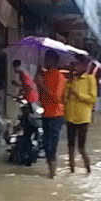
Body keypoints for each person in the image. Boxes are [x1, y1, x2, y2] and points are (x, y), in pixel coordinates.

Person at [63, 55, 97, 174]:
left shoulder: (90, 79)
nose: (75, 67)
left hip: (83, 118)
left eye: (77, 64)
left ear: (84, 66)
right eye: (74, 65)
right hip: (70, 117)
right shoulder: (71, 80)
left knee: (81, 148)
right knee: (70, 147)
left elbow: (93, 99)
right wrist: (69, 85)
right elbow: (64, 98)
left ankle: (88, 170)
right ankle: (71, 171)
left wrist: (78, 95)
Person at [37, 50, 67, 179]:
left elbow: (56, 97)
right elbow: (41, 95)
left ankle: (52, 174)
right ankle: (50, 172)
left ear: (54, 61)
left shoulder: (60, 77)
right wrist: (38, 80)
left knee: (51, 146)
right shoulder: (44, 75)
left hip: (56, 114)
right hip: (46, 113)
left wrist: (41, 85)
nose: (45, 62)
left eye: (47, 59)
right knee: (45, 145)